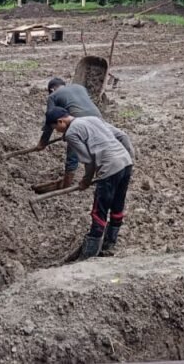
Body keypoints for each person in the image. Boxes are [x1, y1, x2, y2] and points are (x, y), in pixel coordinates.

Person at [43, 106, 134, 259]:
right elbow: (122, 135)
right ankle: (109, 245)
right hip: (126, 162)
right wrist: (131, 158)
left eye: (55, 128)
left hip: (109, 167)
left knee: (99, 210)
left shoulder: (71, 133)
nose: (57, 131)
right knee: (117, 205)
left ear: (60, 121)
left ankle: (90, 253)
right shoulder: (92, 118)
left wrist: (86, 180)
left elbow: (88, 160)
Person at [35, 77, 103, 188]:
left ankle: (67, 182)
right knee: (97, 145)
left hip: (78, 119)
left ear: (52, 89)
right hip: (98, 117)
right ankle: (102, 173)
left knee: (73, 148)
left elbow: (50, 120)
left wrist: (42, 142)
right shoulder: (80, 87)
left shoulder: (53, 96)